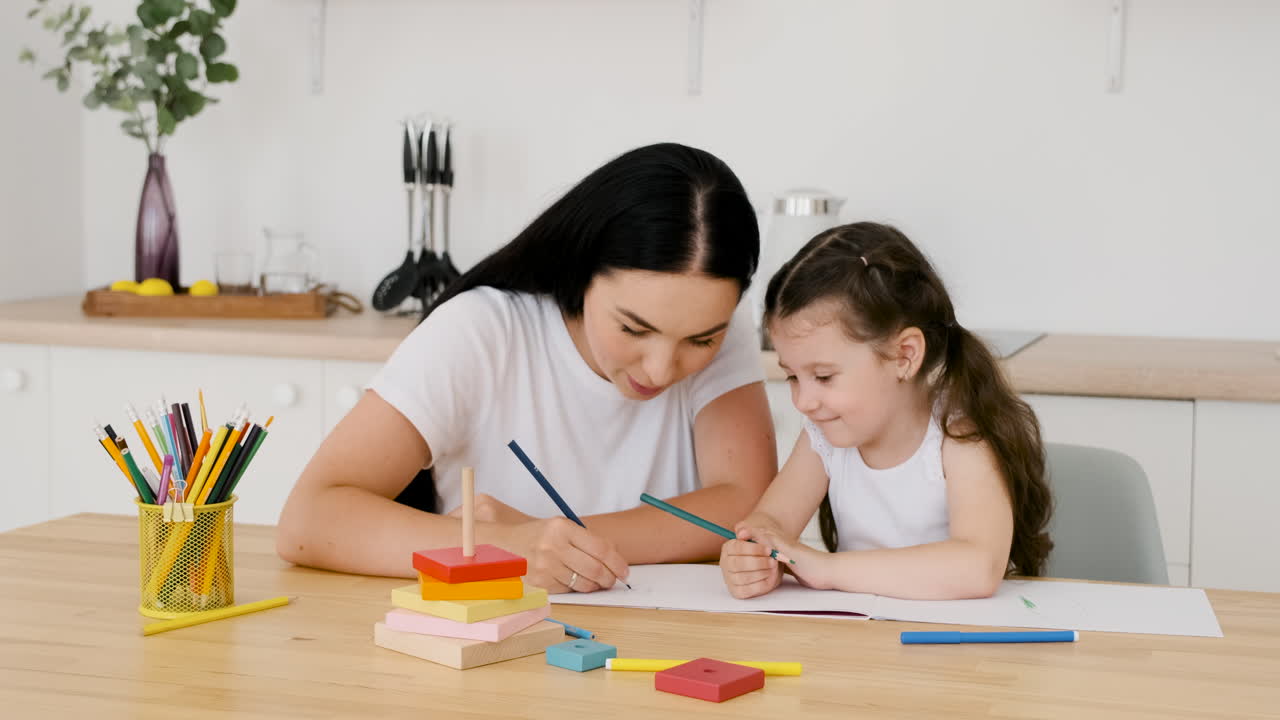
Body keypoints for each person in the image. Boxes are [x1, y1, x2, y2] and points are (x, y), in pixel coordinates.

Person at [278, 143, 777, 593]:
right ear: (581, 271)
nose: (664, 368)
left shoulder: (715, 322)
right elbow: (309, 520)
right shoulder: (481, 331)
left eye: (700, 340)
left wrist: (554, 539)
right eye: (633, 329)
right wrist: (503, 550)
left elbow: (749, 507)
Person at [720, 222, 1052, 600]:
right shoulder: (823, 437)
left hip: (963, 645)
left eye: (824, 377)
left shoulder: (959, 437)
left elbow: (978, 568)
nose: (803, 402)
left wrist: (827, 569)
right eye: (792, 377)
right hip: (868, 641)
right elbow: (771, 523)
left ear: (904, 355)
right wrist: (752, 554)